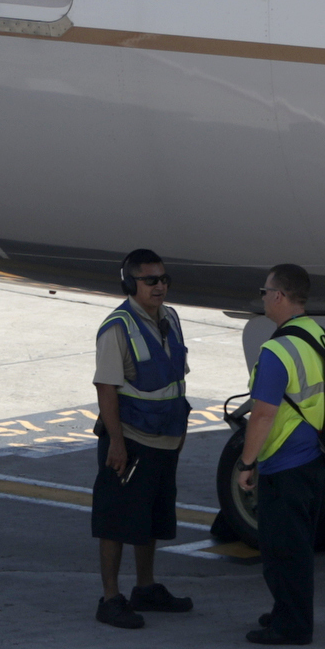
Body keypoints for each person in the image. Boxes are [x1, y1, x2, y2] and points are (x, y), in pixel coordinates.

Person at [92, 249, 192, 629]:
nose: (160, 286)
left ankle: (146, 589)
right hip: (131, 442)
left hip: (165, 439)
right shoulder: (117, 326)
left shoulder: (171, 318)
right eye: (151, 280)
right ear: (130, 284)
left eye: (164, 279)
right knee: (115, 521)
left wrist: (180, 430)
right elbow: (107, 389)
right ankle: (111, 598)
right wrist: (116, 443)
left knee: (150, 519)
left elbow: (176, 378)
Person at [239, 263, 325, 646]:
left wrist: (246, 463)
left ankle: (292, 625)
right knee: (296, 546)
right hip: (312, 456)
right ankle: (286, 610)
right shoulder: (316, 333)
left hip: (283, 461)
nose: (262, 297)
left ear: (278, 296)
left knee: (282, 549)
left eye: (264, 291)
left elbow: (262, 415)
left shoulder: (277, 349)